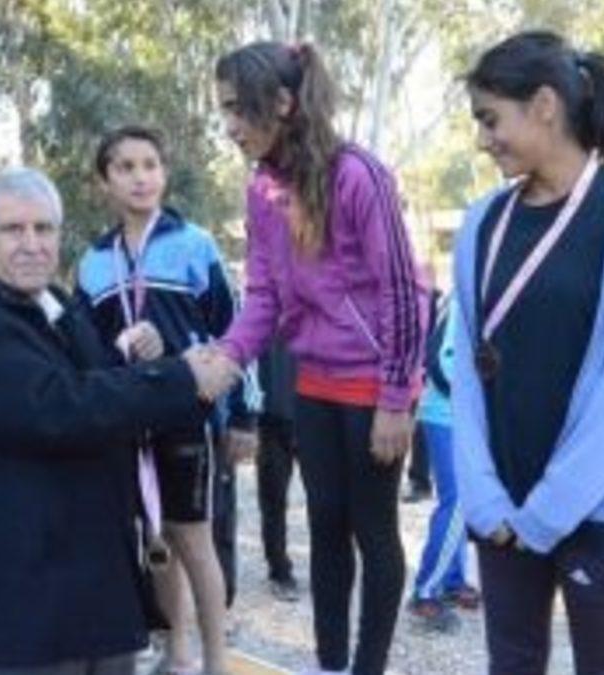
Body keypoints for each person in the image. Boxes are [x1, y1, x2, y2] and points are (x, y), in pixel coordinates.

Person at [0, 167, 232, 675]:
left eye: (44, 228)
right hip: (20, 612)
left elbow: (96, 381)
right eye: (13, 229)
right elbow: (57, 409)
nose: (32, 244)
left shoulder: (55, 301)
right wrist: (180, 378)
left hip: (93, 594)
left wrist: (146, 359)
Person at [450, 31, 604, 674]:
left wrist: (547, 512)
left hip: (597, 509)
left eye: (491, 119)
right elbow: (467, 367)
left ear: (545, 106)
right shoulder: (482, 222)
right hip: (503, 511)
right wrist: (485, 499)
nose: (483, 139)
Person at [208, 41, 428, 675]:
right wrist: (227, 357)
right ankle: (331, 665)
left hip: (373, 388)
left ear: (282, 102)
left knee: (373, 530)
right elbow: (263, 296)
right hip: (313, 383)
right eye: (224, 111)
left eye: (238, 109)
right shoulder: (262, 190)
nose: (230, 127)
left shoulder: (359, 174)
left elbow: (402, 290)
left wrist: (396, 398)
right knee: (326, 527)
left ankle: (368, 667)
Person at [75, 126, 255, 675]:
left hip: (186, 415)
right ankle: (177, 654)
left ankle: (216, 662)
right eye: (125, 167)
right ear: (104, 182)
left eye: (150, 164)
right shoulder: (93, 262)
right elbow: (87, 350)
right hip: (129, 418)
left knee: (194, 538)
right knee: (155, 536)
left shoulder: (194, 243)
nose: (140, 177)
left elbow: (234, 332)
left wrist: (243, 414)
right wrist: (120, 348)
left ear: (165, 173)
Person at [406, 294, 480, 634]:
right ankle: (426, 590)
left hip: (452, 414)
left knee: (460, 501)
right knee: (458, 502)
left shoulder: (469, 294)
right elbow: (440, 360)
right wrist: (478, 398)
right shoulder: (466, 299)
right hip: (448, 415)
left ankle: (452, 580)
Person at [255, 340, 300, 601]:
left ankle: (331, 567)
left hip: (314, 413)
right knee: (273, 498)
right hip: (270, 417)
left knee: (326, 500)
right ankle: (279, 569)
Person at [404, 263, 442, 504]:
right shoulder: (408, 299)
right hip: (411, 371)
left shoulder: (436, 302)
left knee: (421, 427)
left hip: (424, 373)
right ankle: (419, 480)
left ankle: (420, 481)